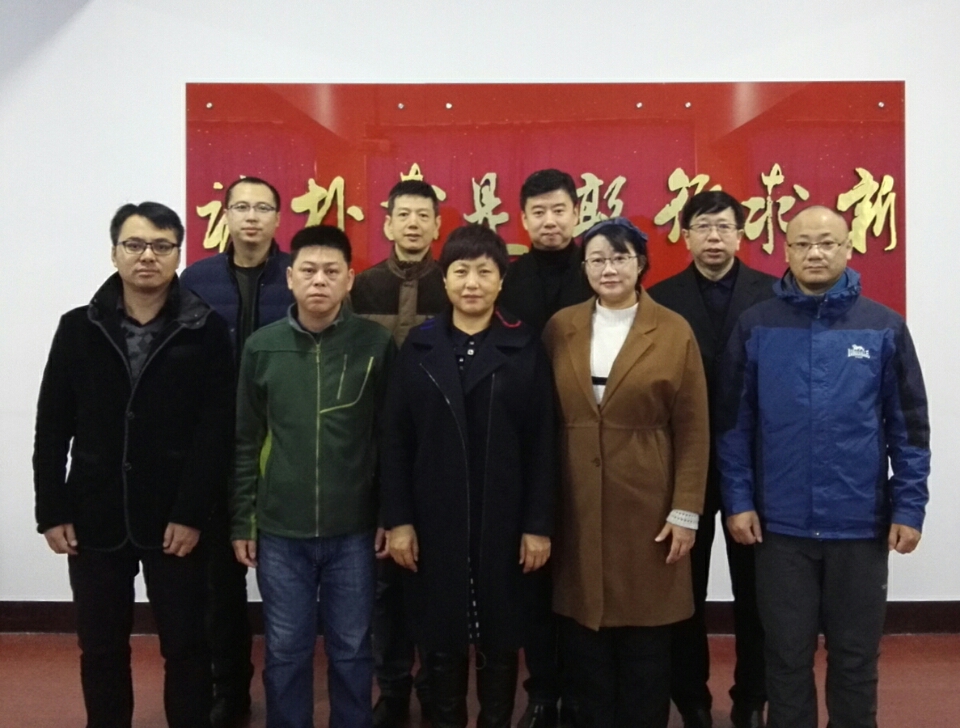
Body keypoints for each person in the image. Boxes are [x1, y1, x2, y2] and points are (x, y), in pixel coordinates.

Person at [716, 206, 930, 728]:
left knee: (855, 658)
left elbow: (909, 429)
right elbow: (733, 427)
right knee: (785, 657)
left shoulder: (882, 326)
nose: (815, 253)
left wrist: (909, 508)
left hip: (860, 525)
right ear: (786, 251)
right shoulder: (757, 325)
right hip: (780, 528)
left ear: (848, 249)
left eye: (827, 243)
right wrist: (738, 501)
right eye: (803, 243)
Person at [33, 202, 235, 728]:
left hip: (176, 518)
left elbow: (215, 433)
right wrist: (52, 509)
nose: (148, 256)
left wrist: (191, 513)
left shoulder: (206, 330)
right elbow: (52, 425)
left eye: (162, 246)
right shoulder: (78, 328)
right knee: (100, 646)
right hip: (94, 513)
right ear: (115, 252)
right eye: (135, 244)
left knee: (187, 645)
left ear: (178, 254)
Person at [381, 224, 558, 728]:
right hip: (433, 521)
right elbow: (394, 441)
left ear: (502, 280)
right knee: (441, 638)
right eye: (461, 271)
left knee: (500, 637)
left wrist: (538, 525)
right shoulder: (419, 347)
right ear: (445, 280)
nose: (472, 283)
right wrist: (399, 521)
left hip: (505, 519)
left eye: (484, 272)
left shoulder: (524, 346)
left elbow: (544, 444)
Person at [543, 217, 710, 728]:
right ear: (584, 267)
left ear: (641, 264)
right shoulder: (561, 327)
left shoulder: (674, 329)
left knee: (646, 645)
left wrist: (685, 511)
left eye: (620, 258)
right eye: (597, 259)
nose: (609, 269)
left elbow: (694, 428)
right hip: (575, 500)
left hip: (648, 503)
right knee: (584, 641)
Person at [231, 225, 395, 728]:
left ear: (350, 279)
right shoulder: (262, 347)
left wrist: (389, 514)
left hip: (354, 530)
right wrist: (243, 521)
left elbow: (389, 438)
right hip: (281, 530)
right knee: (285, 650)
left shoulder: (375, 344)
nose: (319, 280)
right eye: (308, 270)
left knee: (352, 649)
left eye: (331, 271)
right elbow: (245, 440)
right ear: (290, 278)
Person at [648, 190, 773, 728]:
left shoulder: (773, 294)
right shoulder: (659, 298)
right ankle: (691, 699)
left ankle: (751, 697)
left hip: (757, 464)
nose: (714, 237)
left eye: (724, 227)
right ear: (686, 236)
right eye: (703, 227)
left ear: (741, 235)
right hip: (683, 463)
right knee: (684, 589)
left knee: (757, 592)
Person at [179, 175, 293, 727]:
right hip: (216, 449)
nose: (251, 216)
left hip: (282, 450)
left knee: (285, 583)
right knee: (218, 586)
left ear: (278, 217)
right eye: (241, 207)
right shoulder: (196, 279)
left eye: (262, 207)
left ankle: (287, 692)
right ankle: (230, 690)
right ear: (224, 214)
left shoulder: (297, 276)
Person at [351, 178, 448, 727]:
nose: (413, 224)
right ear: (387, 223)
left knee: (434, 577)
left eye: (423, 215)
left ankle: (436, 684)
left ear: (437, 225)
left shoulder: (453, 283)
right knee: (385, 581)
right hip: (373, 449)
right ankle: (391, 688)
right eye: (403, 214)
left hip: (438, 447)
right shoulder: (361, 288)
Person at [498, 168, 593, 728]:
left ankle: (579, 689)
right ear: (523, 219)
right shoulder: (508, 279)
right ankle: (541, 690)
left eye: (559, 210)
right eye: (538, 212)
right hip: (521, 442)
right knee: (531, 574)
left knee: (580, 571)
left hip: (589, 442)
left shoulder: (600, 270)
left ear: (577, 213)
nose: (550, 221)